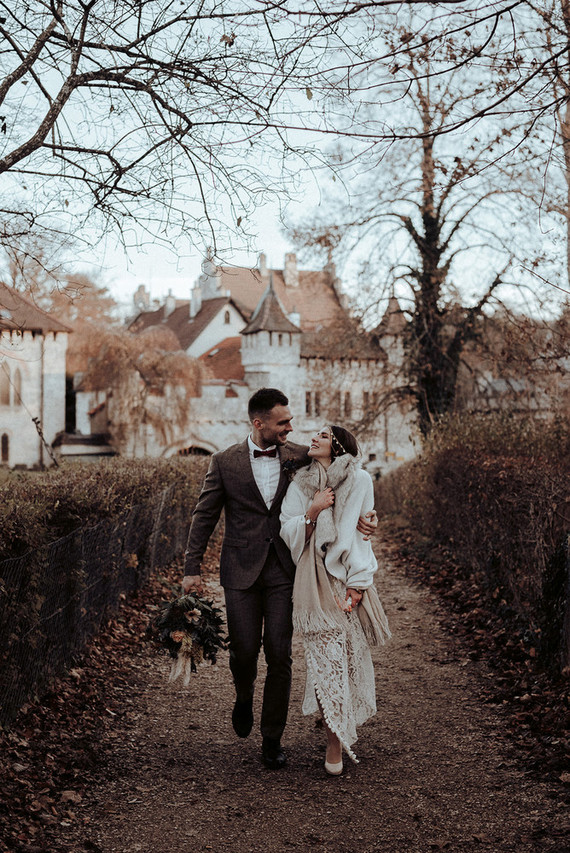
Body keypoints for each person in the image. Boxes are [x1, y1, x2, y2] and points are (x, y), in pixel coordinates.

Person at [182, 389, 377, 770]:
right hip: (239, 570)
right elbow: (203, 516)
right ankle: (243, 695)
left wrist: (368, 517)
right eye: (283, 422)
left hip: (285, 570)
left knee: (279, 653)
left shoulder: (301, 454)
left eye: (290, 421)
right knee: (243, 651)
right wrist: (191, 569)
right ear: (259, 423)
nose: (291, 427)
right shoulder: (224, 463)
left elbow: (344, 476)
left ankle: (272, 738)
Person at [280, 425, 391, 775]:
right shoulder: (300, 483)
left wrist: (358, 584)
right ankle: (334, 740)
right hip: (313, 580)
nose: (313, 438)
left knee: (348, 656)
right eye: (314, 434)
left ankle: (339, 723)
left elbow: (362, 536)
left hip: (347, 580)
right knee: (324, 659)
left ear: (339, 445)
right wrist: (313, 510)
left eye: (323, 435)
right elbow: (287, 530)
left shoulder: (359, 481)